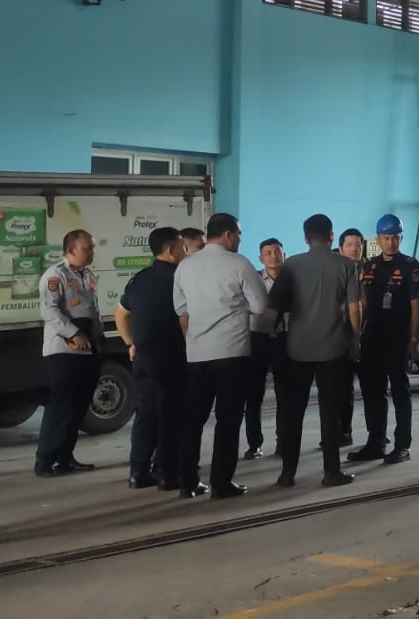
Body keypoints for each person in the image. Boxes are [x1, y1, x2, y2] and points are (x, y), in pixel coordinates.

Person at [173, 213, 269, 500]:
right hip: (231, 353)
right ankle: (221, 483)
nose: (239, 239)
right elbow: (261, 305)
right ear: (228, 235)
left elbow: (181, 309)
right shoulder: (239, 264)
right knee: (227, 420)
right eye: (238, 234)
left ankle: (187, 481)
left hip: (197, 355)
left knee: (193, 420)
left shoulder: (185, 266)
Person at [268, 214, 361, 488]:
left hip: (297, 349)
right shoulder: (346, 265)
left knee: (292, 411)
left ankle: (287, 473)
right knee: (330, 412)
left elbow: (272, 308)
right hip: (333, 348)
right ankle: (331, 472)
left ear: (306, 238)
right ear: (332, 236)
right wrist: (355, 340)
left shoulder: (292, 265)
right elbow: (355, 308)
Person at [113, 227, 188, 491]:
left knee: (145, 414)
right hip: (171, 358)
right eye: (183, 247)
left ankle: (138, 472)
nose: (186, 252)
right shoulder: (181, 278)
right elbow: (185, 320)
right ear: (170, 250)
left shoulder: (140, 279)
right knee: (171, 416)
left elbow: (121, 314)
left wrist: (130, 343)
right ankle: (169, 474)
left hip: (144, 358)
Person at [348, 214, 419, 466]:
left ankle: (403, 444)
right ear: (378, 239)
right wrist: (357, 336)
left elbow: (416, 307)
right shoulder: (368, 267)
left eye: (395, 238)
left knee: (400, 391)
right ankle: (376, 441)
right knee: (372, 391)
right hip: (372, 338)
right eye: (386, 238)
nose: (391, 242)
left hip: (398, 337)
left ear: (400, 238)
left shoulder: (410, 266)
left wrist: (414, 339)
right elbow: (361, 303)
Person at [35, 229, 104, 478]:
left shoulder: (87, 275)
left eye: (93, 247)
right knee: (61, 406)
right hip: (64, 349)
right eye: (87, 248)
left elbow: (92, 310)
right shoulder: (55, 275)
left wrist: (98, 334)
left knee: (78, 406)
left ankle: (65, 457)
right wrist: (74, 333)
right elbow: (49, 311)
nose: (92, 252)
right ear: (71, 249)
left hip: (88, 347)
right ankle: (45, 460)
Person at [243, 238, 286, 460]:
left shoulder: (292, 280)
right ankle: (254, 443)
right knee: (254, 394)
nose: (273, 256)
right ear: (260, 258)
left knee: (284, 394)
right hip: (257, 340)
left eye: (277, 251)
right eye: (268, 253)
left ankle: (283, 442)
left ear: (284, 254)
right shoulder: (254, 281)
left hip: (284, 340)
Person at [331, 228, 365, 448]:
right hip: (341, 336)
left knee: (372, 388)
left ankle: (376, 434)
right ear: (341, 248)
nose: (354, 248)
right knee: (341, 388)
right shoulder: (334, 271)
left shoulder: (370, 269)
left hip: (369, 335)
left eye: (358, 244)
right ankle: (342, 431)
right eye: (350, 244)